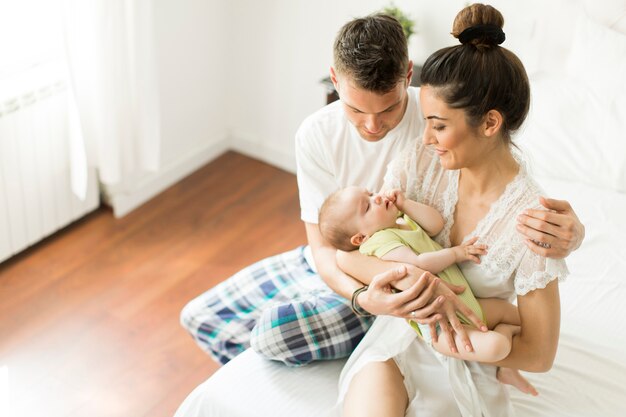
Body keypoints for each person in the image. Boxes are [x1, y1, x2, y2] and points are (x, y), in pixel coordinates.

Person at [179, 11, 584, 368]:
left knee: (274, 332)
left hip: (391, 272)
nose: (372, 126)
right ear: (335, 81)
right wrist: (363, 298)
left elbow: (494, 186)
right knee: (200, 317)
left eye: (388, 109)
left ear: (408, 75)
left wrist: (573, 234)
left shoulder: (437, 124)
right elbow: (328, 249)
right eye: (355, 109)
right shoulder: (317, 135)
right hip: (350, 265)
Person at [336, 4, 568, 416]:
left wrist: (474, 345)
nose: (426, 138)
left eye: (439, 125)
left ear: (491, 123)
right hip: (400, 338)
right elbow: (351, 251)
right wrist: (420, 283)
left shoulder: (532, 223)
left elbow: (538, 354)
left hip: (470, 356)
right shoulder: (419, 166)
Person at [319, 186, 536, 395]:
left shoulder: (401, 222)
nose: (376, 197)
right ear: (360, 238)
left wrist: (406, 204)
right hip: (442, 328)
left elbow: (436, 225)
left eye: (371, 192)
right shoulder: (379, 242)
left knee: (520, 318)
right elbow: (419, 264)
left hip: (467, 301)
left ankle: (506, 369)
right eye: (366, 207)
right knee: (497, 346)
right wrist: (456, 254)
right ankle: (501, 348)